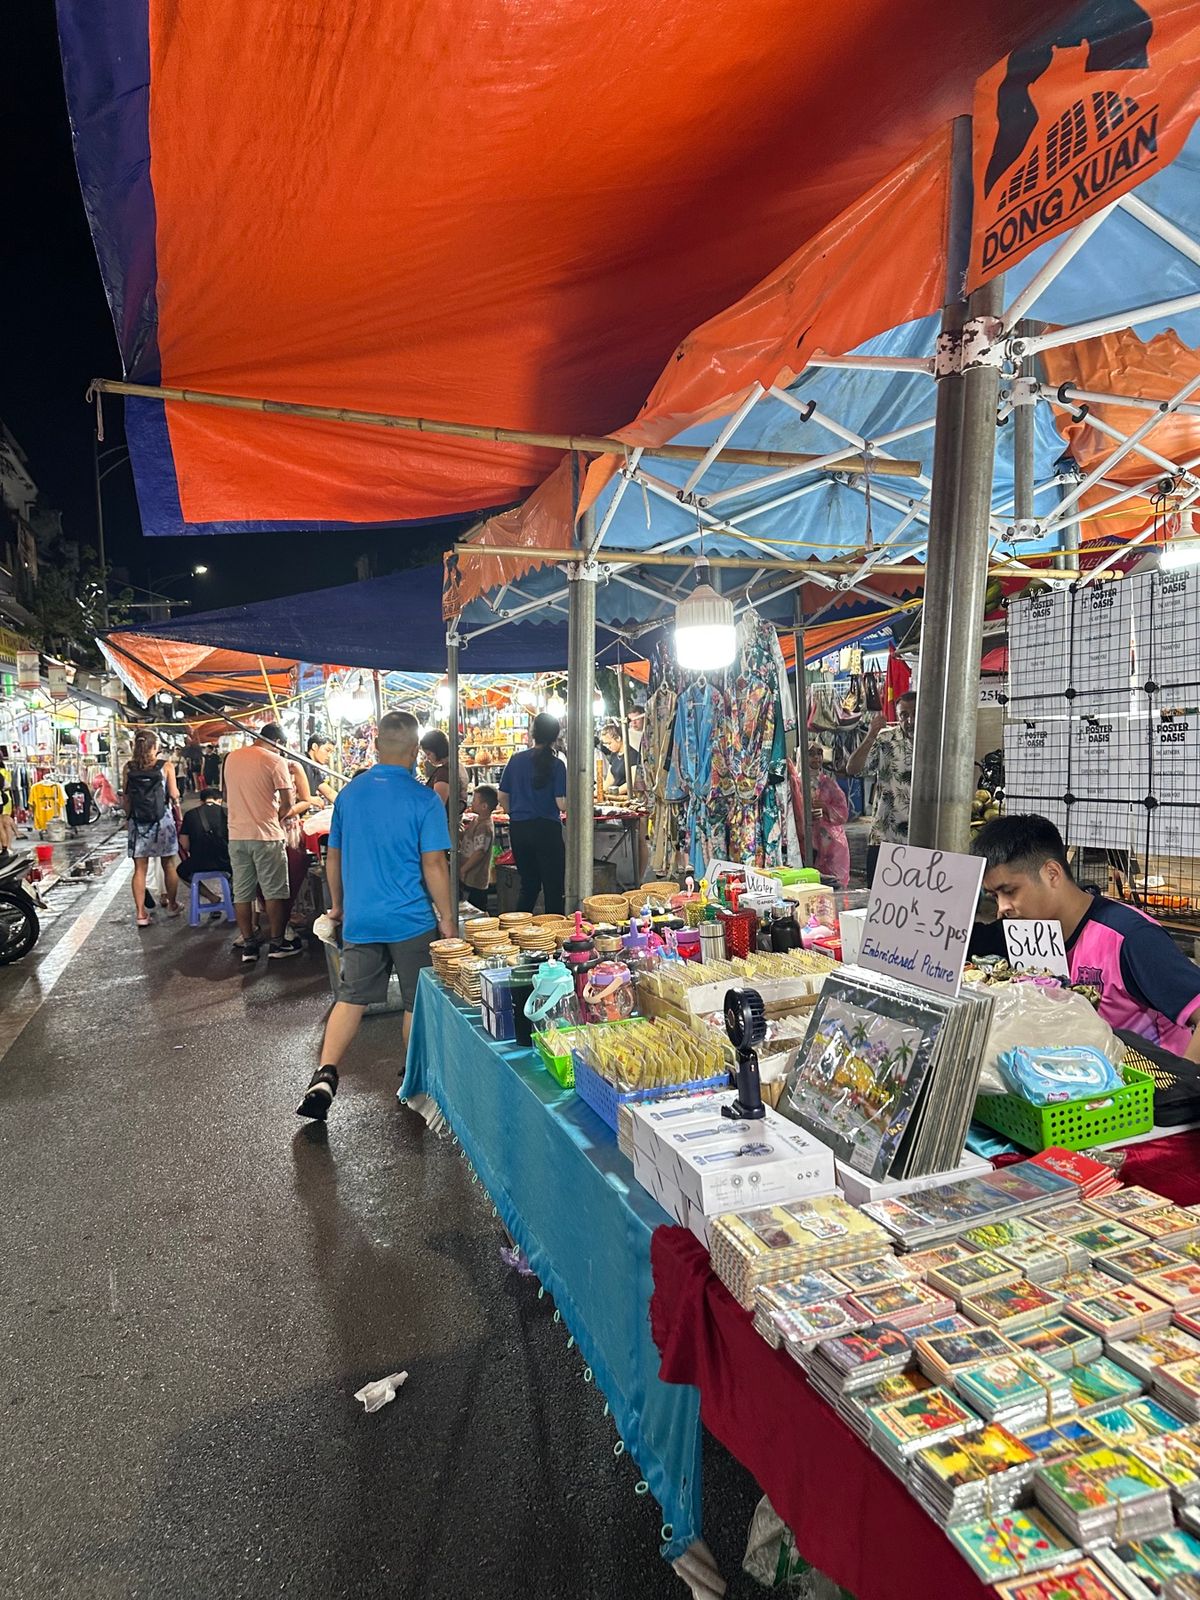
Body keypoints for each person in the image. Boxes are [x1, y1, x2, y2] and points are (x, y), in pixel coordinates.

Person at [296, 711, 455, 1120]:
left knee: (350, 999)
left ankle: (324, 1074)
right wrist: (449, 921)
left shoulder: (350, 795)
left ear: (377, 745)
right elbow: (434, 865)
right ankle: (412, 1077)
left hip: (363, 919)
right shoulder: (424, 800)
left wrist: (337, 906)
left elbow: (334, 855)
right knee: (415, 1002)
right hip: (412, 921)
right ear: (416, 751)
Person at [971, 813, 1200, 1061]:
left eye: (1009, 891)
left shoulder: (1130, 937)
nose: (1001, 908)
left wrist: (1183, 1086)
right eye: (995, 896)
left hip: (1142, 1090)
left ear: (1052, 873)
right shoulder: (1022, 933)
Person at [222, 721, 300, 964]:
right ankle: (277, 943)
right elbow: (287, 802)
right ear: (277, 743)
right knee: (274, 891)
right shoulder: (274, 760)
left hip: (236, 836)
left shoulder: (231, 758)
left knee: (243, 893)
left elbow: (226, 798)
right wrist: (275, 818)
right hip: (266, 836)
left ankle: (249, 946)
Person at [499, 712, 567, 916]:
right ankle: (554, 935)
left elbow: (502, 796)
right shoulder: (557, 764)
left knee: (529, 886)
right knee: (553, 889)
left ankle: (519, 932)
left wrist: (516, 811)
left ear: (532, 733)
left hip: (519, 830)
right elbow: (561, 803)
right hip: (547, 830)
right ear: (556, 736)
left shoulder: (516, 760)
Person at [846, 689, 916, 885]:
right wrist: (870, 735)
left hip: (922, 840)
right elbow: (853, 768)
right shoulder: (885, 740)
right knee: (878, 897)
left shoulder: (938, 742)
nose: (909, 720)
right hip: (885, 836)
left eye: (915, 713)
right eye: (904, 715)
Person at [122, 730, 182, 928]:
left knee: (140, 868)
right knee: (169, 865)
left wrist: (128, 818)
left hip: (138, 823)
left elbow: (126, 797)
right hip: (162, 821)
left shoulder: (128, 768)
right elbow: (173, 795)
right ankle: (172, 904)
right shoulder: (165, 766)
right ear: (154, 747)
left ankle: (141, 914)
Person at [807, 742, 850, 888]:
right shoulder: (797, 782)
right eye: (811, 754)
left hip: (828, 842)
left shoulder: (828, 783)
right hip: (806, 838)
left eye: (819, 754)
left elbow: (843, 812)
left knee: (831, 883)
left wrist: (825, 808)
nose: (816, 758)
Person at [177, 791, 232, 903]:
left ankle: (211, 897)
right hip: (226, 862)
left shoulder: (190, 815)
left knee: (181, 871)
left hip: (198, 863)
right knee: (239, 870)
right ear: (219, 800)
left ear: (201, 801)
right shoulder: (227, 813)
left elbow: (184, 843)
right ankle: (233, 896)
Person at [458, 785, 497, 912]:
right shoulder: (476, 820)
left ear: (484, 806)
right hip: (469, 876)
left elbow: (479, 852)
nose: (472, 802)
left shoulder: (484, 827)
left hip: (475, 878)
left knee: (476, 910)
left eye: (475, 800)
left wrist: (464, 869)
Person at [419, 729, 465, 824]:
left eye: (429, 754)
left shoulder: (444, 773)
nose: (427, 758)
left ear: (438, 750)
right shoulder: (457, 766)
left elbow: (437, 806)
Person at [301, 732, 339, 807]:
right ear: (314, 746)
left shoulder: (314, 769)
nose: (329, 756)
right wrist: (310, 799)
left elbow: (329, 793)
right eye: (327, 750)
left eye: (331, 752)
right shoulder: (301, 761)